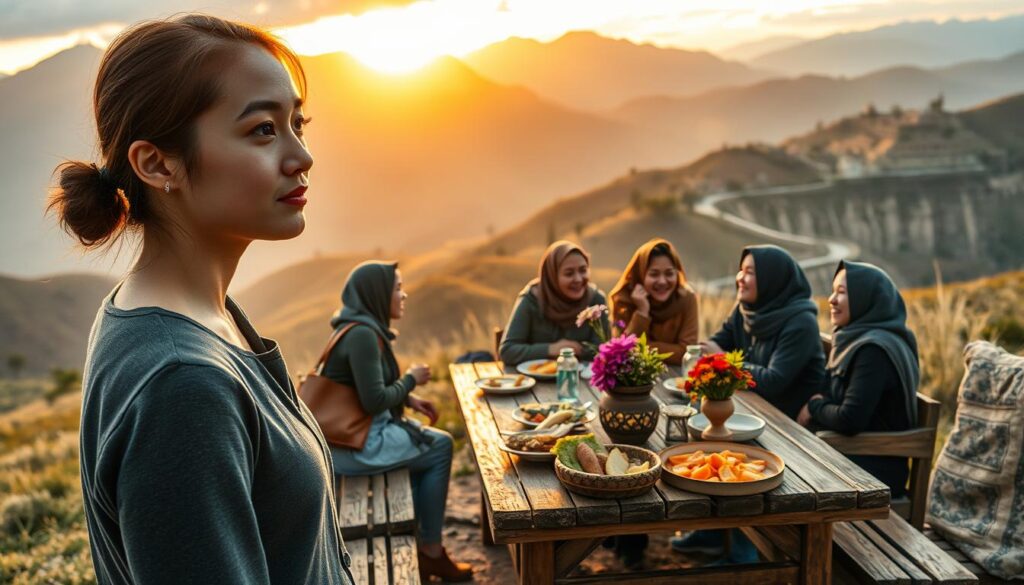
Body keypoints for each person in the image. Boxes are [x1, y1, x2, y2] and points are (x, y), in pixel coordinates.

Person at [57, 15, 352, 583]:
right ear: (157, 164)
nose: (301, 156)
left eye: (298, 122)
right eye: (263, 130)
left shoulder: (192, 313)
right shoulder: (182, 385)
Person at [673, 245, 826, 564]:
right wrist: (716, 357)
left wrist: (722, 359)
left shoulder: (801, 322)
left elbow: (773, 379)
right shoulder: (746, 310)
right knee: (707, 437)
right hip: (749, 414)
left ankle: (744, 551)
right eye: (741, 269)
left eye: (750, 272)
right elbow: (714, 344)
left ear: (772, 279)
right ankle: (714, 533)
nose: (740, 278)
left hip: (790, 428)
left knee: (722, 444)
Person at [325, 261, 473, 582]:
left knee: (428, 446)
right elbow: (374, 400)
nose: (403, 295)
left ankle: (420, 543)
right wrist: (410, 380)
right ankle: (430, 550)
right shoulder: (363, 334)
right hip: (356, 446)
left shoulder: (358, 327)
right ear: (377, 294)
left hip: (351, 437)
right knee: (441, 446)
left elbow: (362, 388)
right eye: (397, 288)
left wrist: (408, 400)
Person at [797, 261, 919, 497]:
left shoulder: (873, 350)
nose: (831, 299)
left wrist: (814, 406)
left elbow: (849, 419)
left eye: (841, 292)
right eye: (833, 291)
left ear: (865, 298)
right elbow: (828, 392)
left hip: (873, 469)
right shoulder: (851, 340)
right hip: (849, 454)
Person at [499, 240, 609, 365]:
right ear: (551, 276)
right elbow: (508, 351)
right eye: (569, 273)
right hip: (533, 381)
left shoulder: (595, 301)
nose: (578, 279)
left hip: (582, 381)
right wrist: (551, 349)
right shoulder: (531, 300)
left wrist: (574, 350)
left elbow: (603, 351)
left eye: (583, 270)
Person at [609, 238, 699, 364]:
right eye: (654, 274)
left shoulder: (686, 299)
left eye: (669, 273)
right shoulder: (625, 301)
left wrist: (640, 348)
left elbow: (687, 352)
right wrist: (641, 312)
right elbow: (622, 352)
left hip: (674, 378)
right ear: (640, 275)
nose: (662, 281)